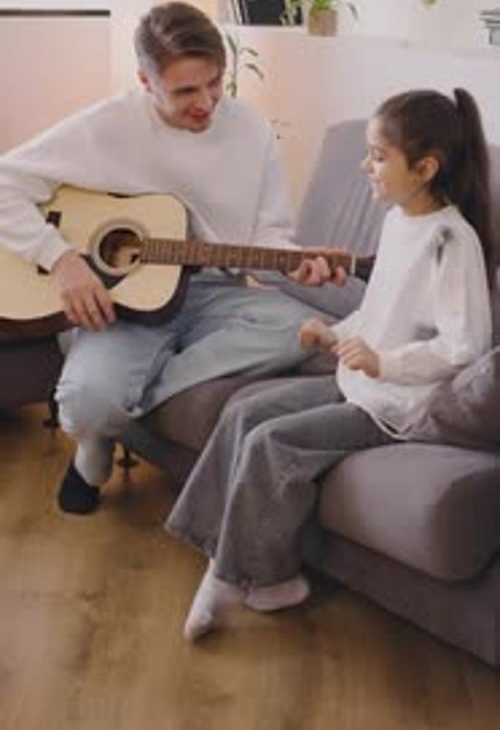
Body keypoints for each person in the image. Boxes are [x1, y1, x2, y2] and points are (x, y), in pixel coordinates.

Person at [166, 86, 494, 642]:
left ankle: (239, 577)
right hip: (361, 383)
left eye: (378, 156)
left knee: (275, 443)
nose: (365, 165)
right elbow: (379, 310)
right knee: (246, 415)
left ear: (425, 167)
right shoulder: (398, 222)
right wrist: (335, 334)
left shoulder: (450, 241)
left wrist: (384, 363)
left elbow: (465, 346)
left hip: (398, 407)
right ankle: (229, 559)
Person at [0, 1, 340, 515]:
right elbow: (5, 181)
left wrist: (291, 262)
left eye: (214, 83)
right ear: (145, 80)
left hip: (216, 296)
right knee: (88, 401)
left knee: (301, 327)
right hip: (124, 306)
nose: (206, 102)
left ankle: (117, 408)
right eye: (185, 90)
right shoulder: (107, 126)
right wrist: (62, 259)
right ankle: (94, 441)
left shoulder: (250, 130)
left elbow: (269, 236)